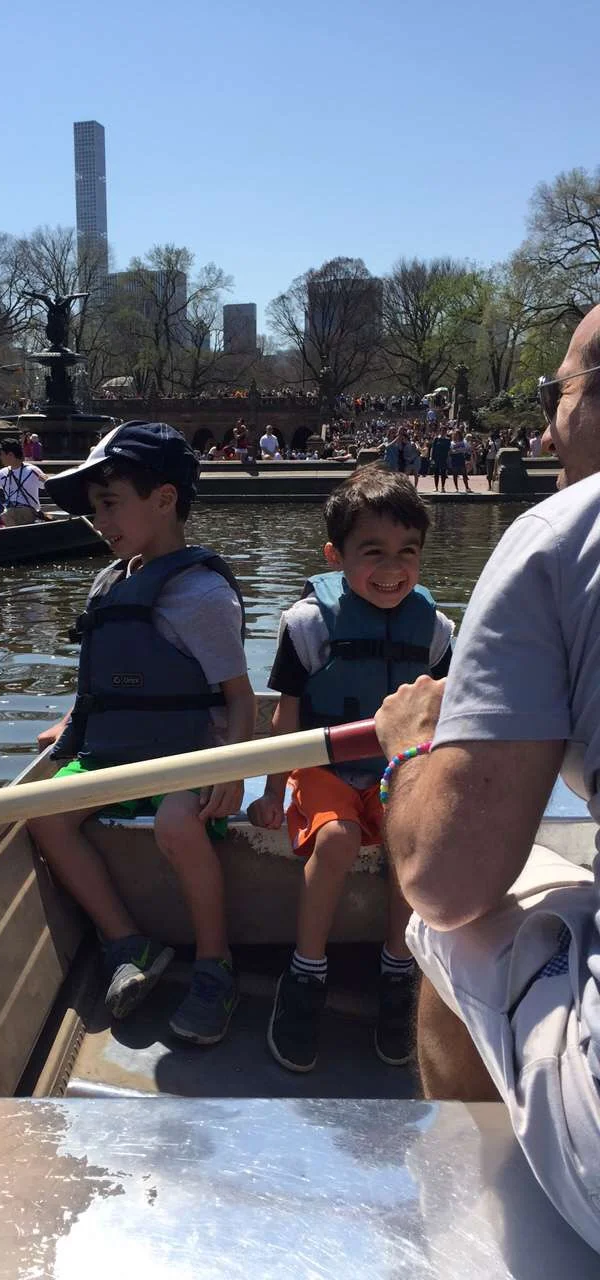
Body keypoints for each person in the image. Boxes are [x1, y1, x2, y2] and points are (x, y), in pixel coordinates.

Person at [373, 304, 600, 1255]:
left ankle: (469, 1235)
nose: (545, 428)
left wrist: (409, 751)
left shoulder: (562, 535)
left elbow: (447, 875)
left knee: (441, 923)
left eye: (559, 392)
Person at [29, 422, 255, 1045]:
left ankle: (216, 964)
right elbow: (103, 685)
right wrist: (73, 727)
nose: (99, 521)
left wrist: (229, 768)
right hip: (117, 754)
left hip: (185, 758)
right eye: (94, 508)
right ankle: (128, 942)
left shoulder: (203, 595)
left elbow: (240, 702)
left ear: (164, 499)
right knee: (44, 816)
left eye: (109, 504)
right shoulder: (113, 582)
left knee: (177, 821)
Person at [249, 466, 453, 1072]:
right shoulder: (308, 625)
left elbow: (443, 721)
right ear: (336, 556)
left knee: (410, 840)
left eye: (407, 552)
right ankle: (306, 972)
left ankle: (399, 969)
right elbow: (285, 719)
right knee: (335, 839)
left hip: (399, 769)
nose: (393, 569)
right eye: (373, 553)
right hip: (324, 769)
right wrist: (266, 791)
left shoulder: (436, 631)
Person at [0, 438, 46, 525]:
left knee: (6, 515)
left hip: (28, 512)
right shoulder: (2, 473)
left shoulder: (32, 471)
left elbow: (48, 486)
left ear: (10, 455)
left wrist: (47, 481)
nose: (0, 457)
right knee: (3, 514)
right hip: (10, 512)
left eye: (2, 454)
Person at [448, 428, 471, 492]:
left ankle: (467, 487)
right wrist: (458, 450)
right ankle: (456, 488)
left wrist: (457, 451)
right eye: (455, 434)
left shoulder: (463, 442)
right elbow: (450, 452)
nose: (456, 435)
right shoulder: (452, 443)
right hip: (454, 458)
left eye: (458, 434)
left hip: (461, 458)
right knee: (455, 474)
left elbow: (467, 449)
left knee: (464, 473)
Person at [430, 427, 451, 493]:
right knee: (436, 472)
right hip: (436, 458)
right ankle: (436, 487)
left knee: (443, 473)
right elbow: (433, 448)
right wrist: (431, 457)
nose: (443, 432)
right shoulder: (436, 439)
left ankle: (443, 487)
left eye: (444, 431)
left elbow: (449, 450)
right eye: (442, 431)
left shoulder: (447, 440)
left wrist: (448, 457)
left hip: (444, 458)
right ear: (440, 431)